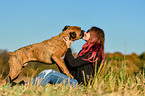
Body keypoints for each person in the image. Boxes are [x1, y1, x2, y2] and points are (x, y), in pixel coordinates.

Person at [8, 26, 105, 87]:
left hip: (79, 85)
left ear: (94, 36)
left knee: (49, 73)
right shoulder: (87, 51)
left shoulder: (94, 52)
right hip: (74, 81)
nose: (85, 32)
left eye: (88, 31)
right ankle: (20, 85)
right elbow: (72, 67)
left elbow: (73, 63)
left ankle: (25, 86)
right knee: (49, 73)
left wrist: (67, 48)